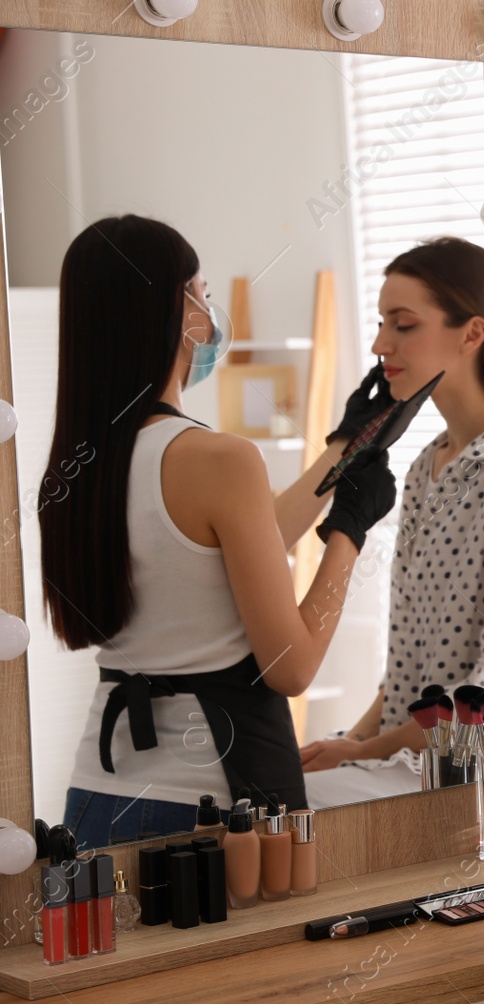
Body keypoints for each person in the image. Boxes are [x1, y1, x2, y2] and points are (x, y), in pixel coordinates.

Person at [46, 215, 397, 848]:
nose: (211, 312)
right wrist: (349, 530)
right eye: (203, 293)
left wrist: (344, 450)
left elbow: (233, 546)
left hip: (96, 796)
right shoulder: (218, 460)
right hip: (205, 807)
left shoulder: (82, 467)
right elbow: (291, 669)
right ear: (177, 313)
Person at [299, 237, 484, 796]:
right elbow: (406, 669)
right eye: (381, 323)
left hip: (470, 769)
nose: (379, 344)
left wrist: (361, 751)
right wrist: (343, 745)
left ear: (472, 332)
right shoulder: (421, 470)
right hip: (403, 753)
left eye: (403, 324)